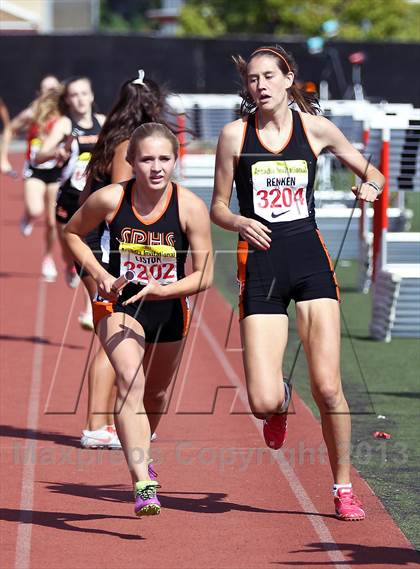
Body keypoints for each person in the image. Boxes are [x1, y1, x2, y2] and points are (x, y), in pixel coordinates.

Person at [210, 45, 385, 521]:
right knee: (262, 399)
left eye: (269, 76)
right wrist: (239, 223)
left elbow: (374, 174)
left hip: (308, 258)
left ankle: (343, 486)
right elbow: (218, 207)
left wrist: (367, 185)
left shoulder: (316, 130)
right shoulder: (233, 136)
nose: (261, 85)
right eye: (252, 79)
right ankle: (283, 402)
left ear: (289, 80)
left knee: (329, 388)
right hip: (262, 264)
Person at [64, 122, 213, 516]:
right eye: (147, 159)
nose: (156, 167)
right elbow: (73, 233)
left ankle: (143, 447)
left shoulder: (190, 208)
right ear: (131, 162)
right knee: (130, 379)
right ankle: (142, 480)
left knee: (156, 395)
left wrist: (162, 290)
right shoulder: (111, 199)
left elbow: (205, 275)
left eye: (165, 158)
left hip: (169, 306)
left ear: (175, 161)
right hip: (121, 304)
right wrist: (102, 276)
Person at [78, 72, 179, 450]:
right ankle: (96, 423)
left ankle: (102, 420)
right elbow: (121, 208)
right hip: (106, 250)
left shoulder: (116, 138)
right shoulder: (126, 147)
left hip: (103, 246)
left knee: (113, 334)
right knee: (114, 334)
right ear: (153, 104)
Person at [36, 76, 105, 291]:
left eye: (84, 93)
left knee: (93, 251)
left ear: (92, 96)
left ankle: (89, 306)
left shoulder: (102, 122)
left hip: (95, 195)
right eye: (74, 95)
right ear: (67, 100)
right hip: (68, 194)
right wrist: (56, 151)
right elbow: (39, 156)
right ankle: (68, 265)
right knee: (68, 247)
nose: (80, 99)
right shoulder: (65, 124)